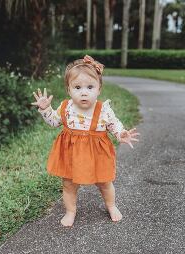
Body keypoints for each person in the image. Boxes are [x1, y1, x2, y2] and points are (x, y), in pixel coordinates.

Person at [30, 55, 140, 227]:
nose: (84, 92)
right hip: (71, 153)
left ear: (99, 89)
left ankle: (111, 205)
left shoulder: (103, 109)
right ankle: (70, 211)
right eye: (77, 87)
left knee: (104, 182)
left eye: (90, 87)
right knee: (69, 185)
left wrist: (121, 133)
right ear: (68, 90)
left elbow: (114, 124)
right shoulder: (66, 107)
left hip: (97, 153)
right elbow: (53, 122)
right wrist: (45, 109)